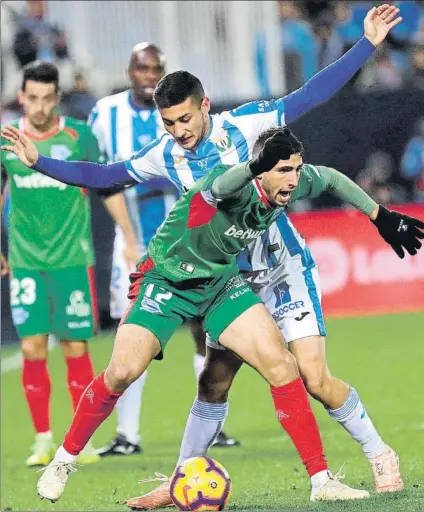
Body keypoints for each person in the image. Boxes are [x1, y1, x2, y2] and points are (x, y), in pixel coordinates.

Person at [1, 0, 405, 493]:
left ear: (206, 104)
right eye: (169, 123)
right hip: (222, 275)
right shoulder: (165, 156)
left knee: (312, 379)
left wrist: (366, 44)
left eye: (186, 119)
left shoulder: (247, 126)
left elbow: (313, 95)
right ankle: (172, 481)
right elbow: (103, 175)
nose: (179, 131)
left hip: (276, 267)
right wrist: (40, 161)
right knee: (211, 380)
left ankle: (374, 454)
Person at [5, 128, 385, 504]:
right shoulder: (227, 180)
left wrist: (377, 213)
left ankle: (321, 481)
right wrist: (254, 166)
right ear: (261, 169)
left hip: (219, 283)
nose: (293, 179)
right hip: (166, 279)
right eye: (282, 169)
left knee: (282, 365)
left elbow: (332, 178)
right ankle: (63, 461)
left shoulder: (291, 182)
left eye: (296, 169)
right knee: (122, 370)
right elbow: (220, 190)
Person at [89, 42, 238, 456]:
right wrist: (128, 237)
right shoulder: (105, 114)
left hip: (189, 241)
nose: (149, 75)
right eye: (142, 68)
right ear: (129, 70)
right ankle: (127, 435)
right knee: (131, 333)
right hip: (135, 239)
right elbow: (104, 177)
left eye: (156, 68)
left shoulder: (178, 109)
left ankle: (213, 424)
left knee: (203, 331)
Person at [0, 61, 137, 467]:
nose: (39, 107)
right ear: (21, 97)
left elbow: (106, 186)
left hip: (73, 260)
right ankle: (42, 439)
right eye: (31, 98)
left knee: (76, 346)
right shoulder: (7, 140)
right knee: (32, 346)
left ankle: (82, 441)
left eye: (46, 98)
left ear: (57, 98)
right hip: (26, 262)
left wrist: (129, 238)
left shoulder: (80, 136)